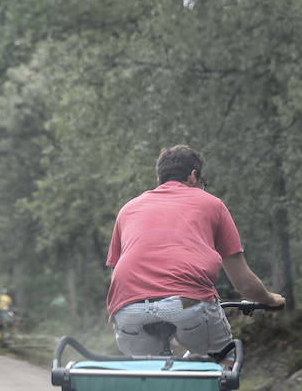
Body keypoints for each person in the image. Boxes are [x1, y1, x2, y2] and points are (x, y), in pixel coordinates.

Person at [105, 145, 286, 357]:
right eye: (202, 183)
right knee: (223, 359)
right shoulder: (212, 204)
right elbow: (244, 283)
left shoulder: (128, 209)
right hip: (185, 303)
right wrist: (269, 299)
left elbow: (117, 273)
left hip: (127, 310)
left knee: (150, 374)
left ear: (159, 179)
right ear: (193, 176)